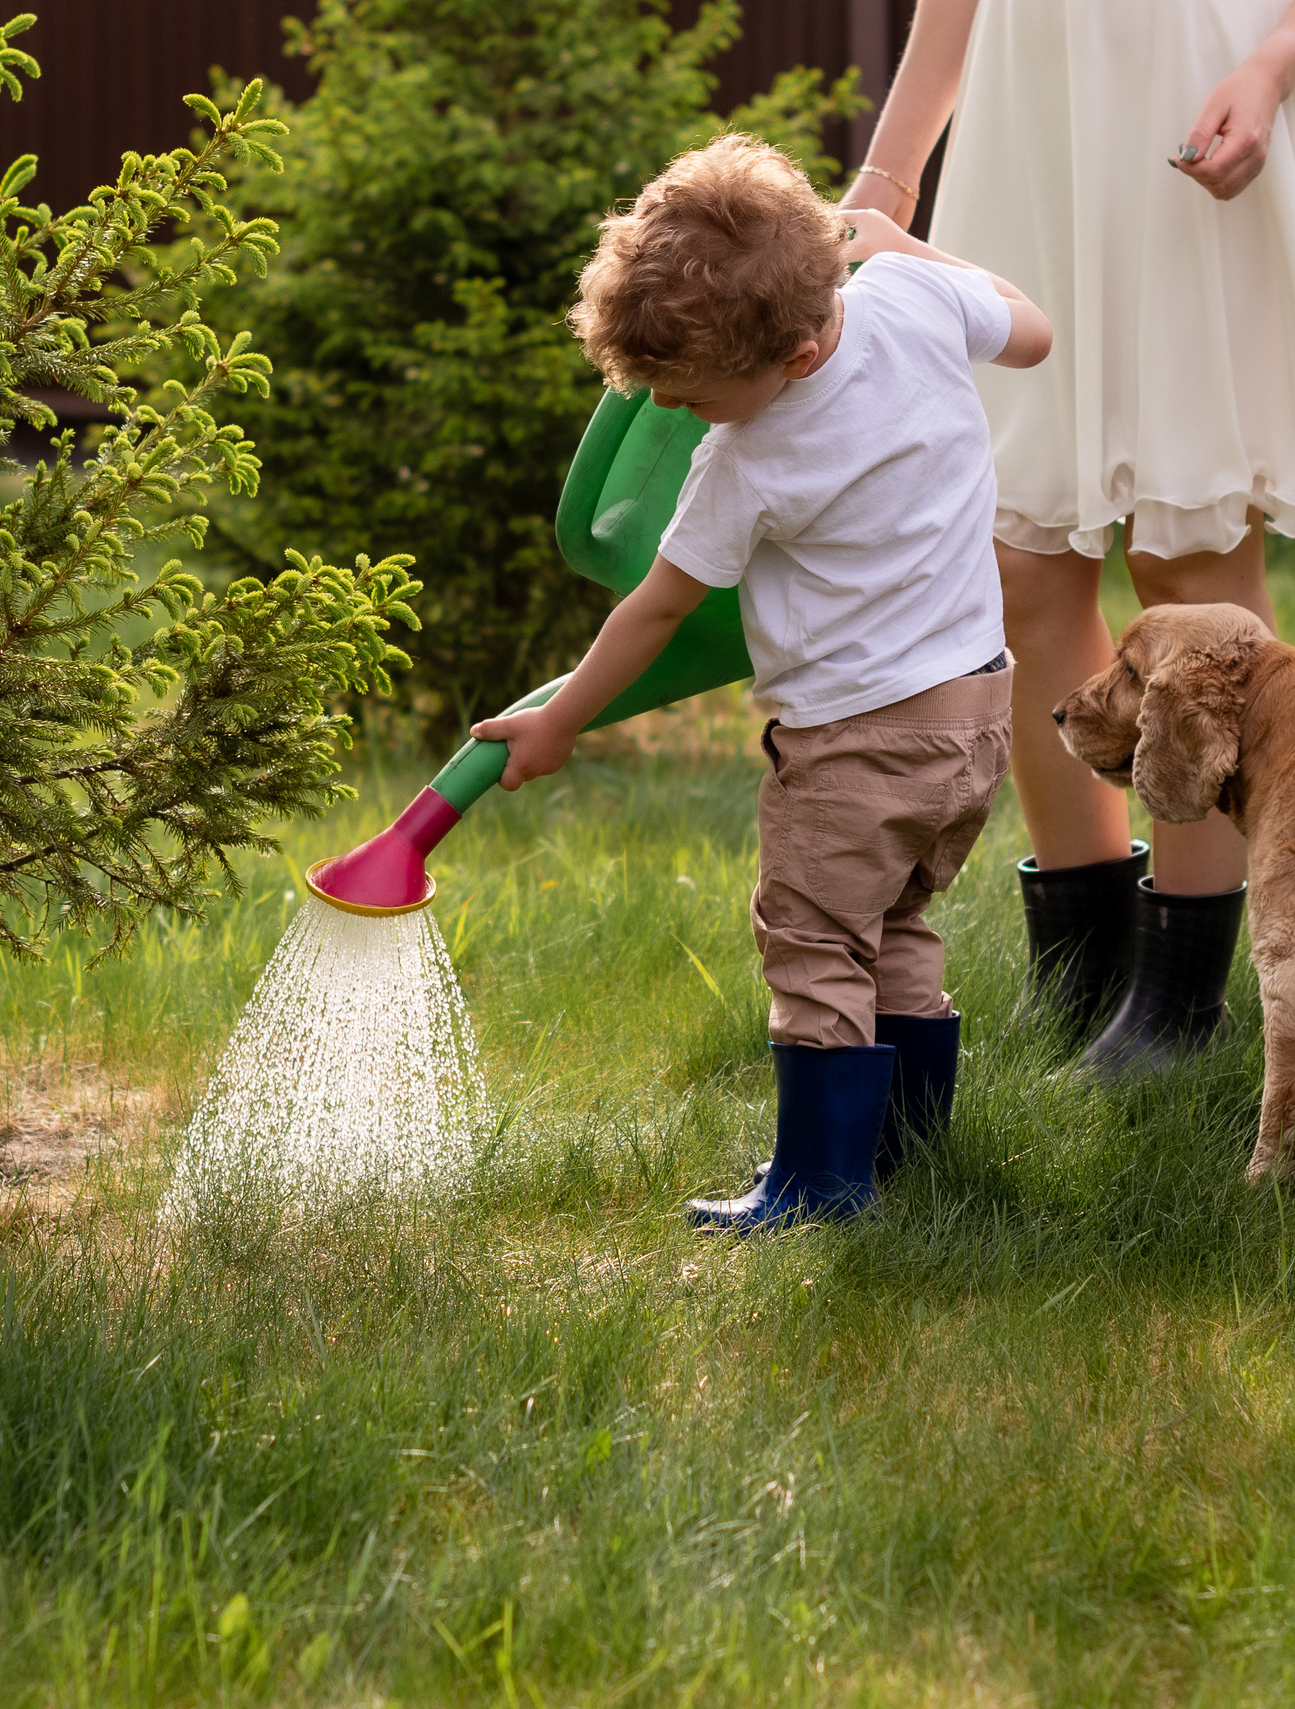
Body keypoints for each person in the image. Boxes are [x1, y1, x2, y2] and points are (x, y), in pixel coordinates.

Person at [473, 134, 1053, 1231]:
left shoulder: (746, 462)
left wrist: (559, 722)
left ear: (786, 359)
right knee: (898, 922)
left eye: (691, 397)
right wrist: (903, 245)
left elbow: (654, 606)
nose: (680, 417)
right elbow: (1032, 329)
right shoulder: (915, 301)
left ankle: (820, 1185)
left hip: (850, 742)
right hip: (974, 714)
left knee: (816, 941)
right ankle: (906, 1153)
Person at [840, 0, 1295, 1073]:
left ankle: (1181, 990)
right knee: (1017, 561)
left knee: (1187, 556)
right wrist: (887, 180)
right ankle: (1085, 968)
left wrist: (1272, 64)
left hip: (1199, 100)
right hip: (1030, 141)